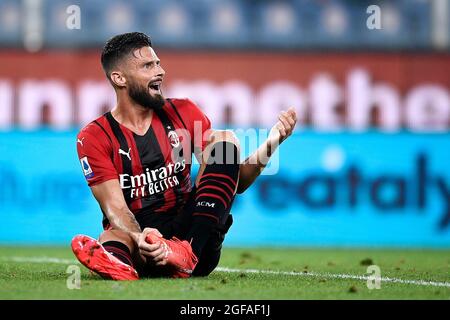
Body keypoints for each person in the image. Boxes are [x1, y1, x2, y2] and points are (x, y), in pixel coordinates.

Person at [72, 32, 297, 280]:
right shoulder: (94, 137)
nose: (160, 71)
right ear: (119, 78)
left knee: (224, 141)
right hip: (145, 242)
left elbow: (237, 181)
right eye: (148, 65)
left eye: (157, 62)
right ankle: (120, 265)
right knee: (113, 235)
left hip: (193, 237)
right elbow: (115, 207)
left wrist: (273, 141)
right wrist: (142, 238)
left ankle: (183, 254)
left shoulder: (183, 112)